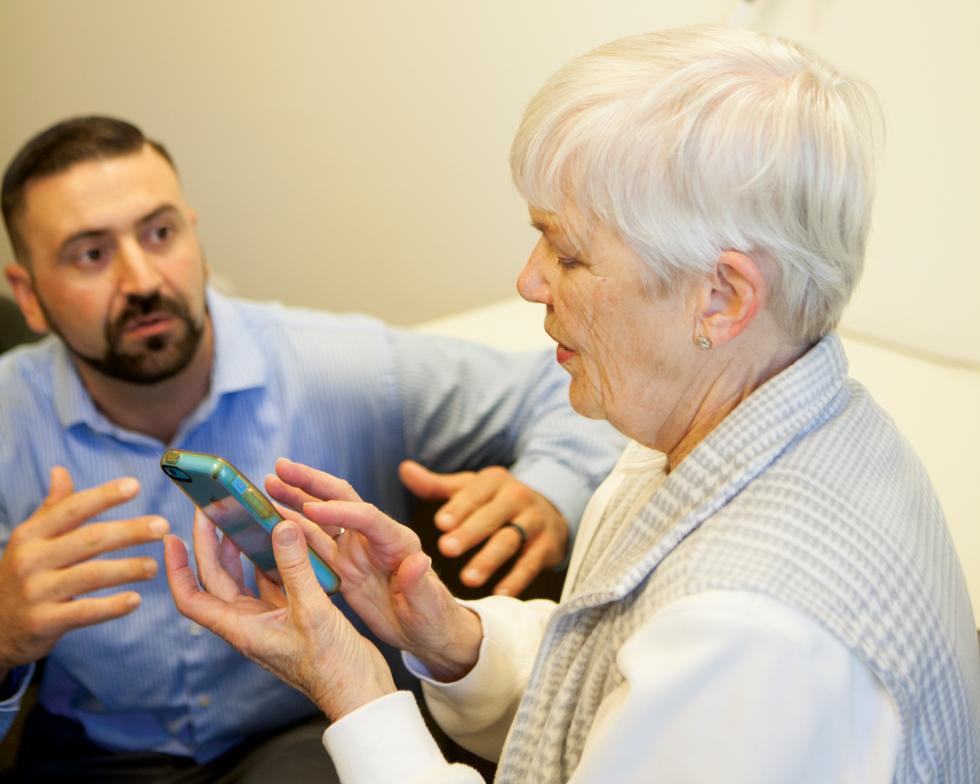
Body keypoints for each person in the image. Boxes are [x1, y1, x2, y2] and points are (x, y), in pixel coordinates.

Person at [167, 24, 980, 783]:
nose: (529, 280)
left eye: (568, 250)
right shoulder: (762, 420)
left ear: (721, 298)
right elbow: (618, 689)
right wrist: (449, 638)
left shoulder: (750, 633)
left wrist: (353, 689)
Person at [0, 116, 624, 781]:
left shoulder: (339, 365)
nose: (142, 279)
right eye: (91, 255)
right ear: (29, 297)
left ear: (194, 235)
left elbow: (556, 391)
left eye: (160, 234)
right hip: (89, 752)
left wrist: (547, 492)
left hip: (304, 730)